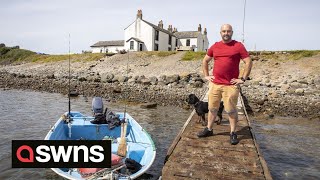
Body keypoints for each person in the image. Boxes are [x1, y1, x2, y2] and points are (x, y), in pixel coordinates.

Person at [197, 24, 252, 145]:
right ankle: (209, 129)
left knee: (230, 110)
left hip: (230, 85)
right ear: (220, 33)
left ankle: (233, 132)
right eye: (223, 31)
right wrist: (206, 75)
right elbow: (205, 60)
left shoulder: (238, 46)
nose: (226, 33)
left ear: (232, 32)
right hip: (215, 84)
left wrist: (242, 78)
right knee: (212, 108)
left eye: (228, 31)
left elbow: (248, 61)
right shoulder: (215, 46)